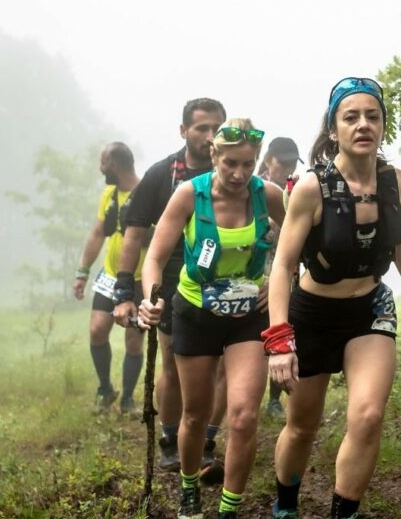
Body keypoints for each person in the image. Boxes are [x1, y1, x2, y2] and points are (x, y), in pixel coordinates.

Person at [265, 78, 401, 519]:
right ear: (333, 129)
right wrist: (279, 340)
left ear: (383, 124)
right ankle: (285, 506)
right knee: (302, 426)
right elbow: (283, 266)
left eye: (372, 116)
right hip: (312, 314)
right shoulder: (311, 188)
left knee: (367, 417)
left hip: (370, 309)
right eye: (351, 117)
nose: (363, 124)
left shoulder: (397, 183)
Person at [139, 118, 286, 519]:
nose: (240, 174)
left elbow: (297, 242)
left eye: (248, 164)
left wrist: (275, 277)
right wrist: (150, 298)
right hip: (195, 311)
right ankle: (189, 488)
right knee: (195, 414)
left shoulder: (268, 195)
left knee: (243, 415)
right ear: (213, 156)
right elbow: (154, 256)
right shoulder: (189, 195)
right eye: (231, 164)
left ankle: (229, 508)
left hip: (246, 317)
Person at [111, 98, 230, 472]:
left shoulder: (231, 174)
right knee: (175, 365)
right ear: (183, 131)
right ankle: (169, 435)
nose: (209, 136)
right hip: (170, 285)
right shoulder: (162, 175)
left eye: (216, 129)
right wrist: (125, 292)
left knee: (221, 367)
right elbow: (134, 236)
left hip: (223, 284)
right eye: (201, 128)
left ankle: (205, 439)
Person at [72, 142, 146, 414]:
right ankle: (105, 388)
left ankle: (128, 398)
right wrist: (82, 272)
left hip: (139, 280)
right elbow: (96, 233)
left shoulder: (146, 193)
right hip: (110, 276)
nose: (100, 168)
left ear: (114, 164)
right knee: (97, 330)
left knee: (133, 340)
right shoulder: (109, 194)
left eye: (103, 162)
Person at [257, 137, 302, 419]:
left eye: (291, 162)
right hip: (254, 274)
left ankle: (274, 399)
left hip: (285, 273)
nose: (286, 167)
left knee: (282, 331)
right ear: (268, 160)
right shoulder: (252, 189)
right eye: (281, 161)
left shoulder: (298, 189)